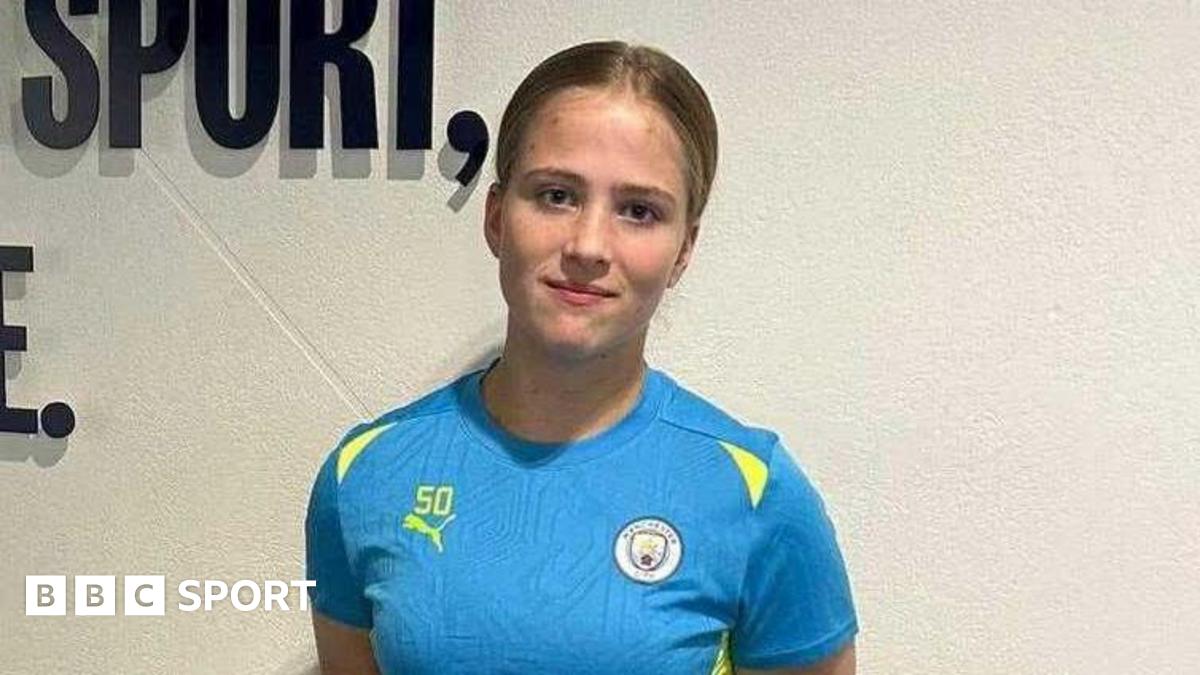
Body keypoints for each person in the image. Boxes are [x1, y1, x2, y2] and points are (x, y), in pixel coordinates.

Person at [305, 40, 858, 675]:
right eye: (556, 195)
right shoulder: (364, 475)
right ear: (496, 217)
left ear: (684, 249)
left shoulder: (755, 492)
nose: (588, 245)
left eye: (639, 211)